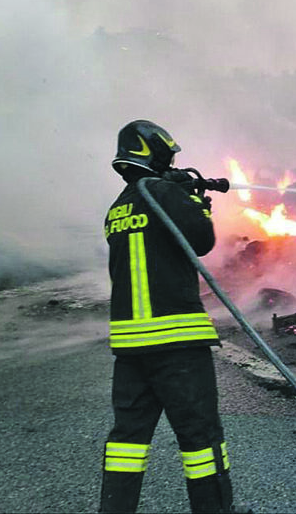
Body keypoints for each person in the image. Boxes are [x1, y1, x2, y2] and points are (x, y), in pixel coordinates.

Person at [100, 120, 235, 513]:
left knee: (127, 440)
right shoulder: (162, 193)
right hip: (176, 343)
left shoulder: (118, 208)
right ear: (152, 153)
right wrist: (194, 201)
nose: (173, 161)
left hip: (130, 348)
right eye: (168, 155)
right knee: (201, 439)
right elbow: (202, 240)